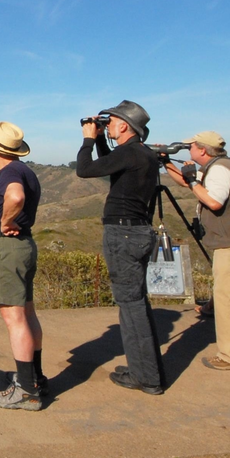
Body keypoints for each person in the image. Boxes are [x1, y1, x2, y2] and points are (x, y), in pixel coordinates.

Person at [75, 100, 167, 395]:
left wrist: (89, 139)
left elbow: (85, 169)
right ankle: (143, 370)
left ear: (124, 125)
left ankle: (148, 378)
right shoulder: (142, 154)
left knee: (131, 305)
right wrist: (102, 138)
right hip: (138, 231)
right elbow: (110, 165)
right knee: (136, 303)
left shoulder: (129, 153)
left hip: (123, 234)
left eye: (111, 122)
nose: (108, 126)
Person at [164, 131, 230, 370]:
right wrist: (166, 162)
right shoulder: (219, 166)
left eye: (190, 147)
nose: (189, 151)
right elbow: (186, 182)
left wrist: (193, 181)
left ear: (202, 150)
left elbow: (213, 201)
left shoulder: (220, 169)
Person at [0, 121, 46, 410]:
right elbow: (13, 198)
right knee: (27, 312)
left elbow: (15, 197)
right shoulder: (25, 171)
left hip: (6, 250)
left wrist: (4, 222)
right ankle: (34, 376)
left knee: (14, 318)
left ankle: (26, 390)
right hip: (22, 247)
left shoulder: (11, 172)